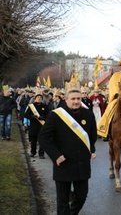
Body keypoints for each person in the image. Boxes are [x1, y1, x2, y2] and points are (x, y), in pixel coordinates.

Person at [38, 80, 97, 215]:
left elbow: (92, 136)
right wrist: (56, 155)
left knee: (81, 196)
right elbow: (43, 137)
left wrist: (91, 150)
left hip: (82, 164)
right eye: (73, 99)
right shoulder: (56, 115)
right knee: (63, 200)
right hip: (63, 162)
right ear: (66, 99)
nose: (76, 101)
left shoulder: (88, 114)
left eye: (78, 99)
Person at [24, 92, 49, 159]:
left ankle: (41, 154)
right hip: (33, 125)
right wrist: (32, 117)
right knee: (33, 141)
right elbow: (26, 115)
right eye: (38, 98)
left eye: (40, 98)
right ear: (35, 99)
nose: (39, 99)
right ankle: (33, 152)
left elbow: (48, 115)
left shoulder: (45, 106)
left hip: (42, 125)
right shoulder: (31, 106)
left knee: (42, 141)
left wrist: (43, 117)